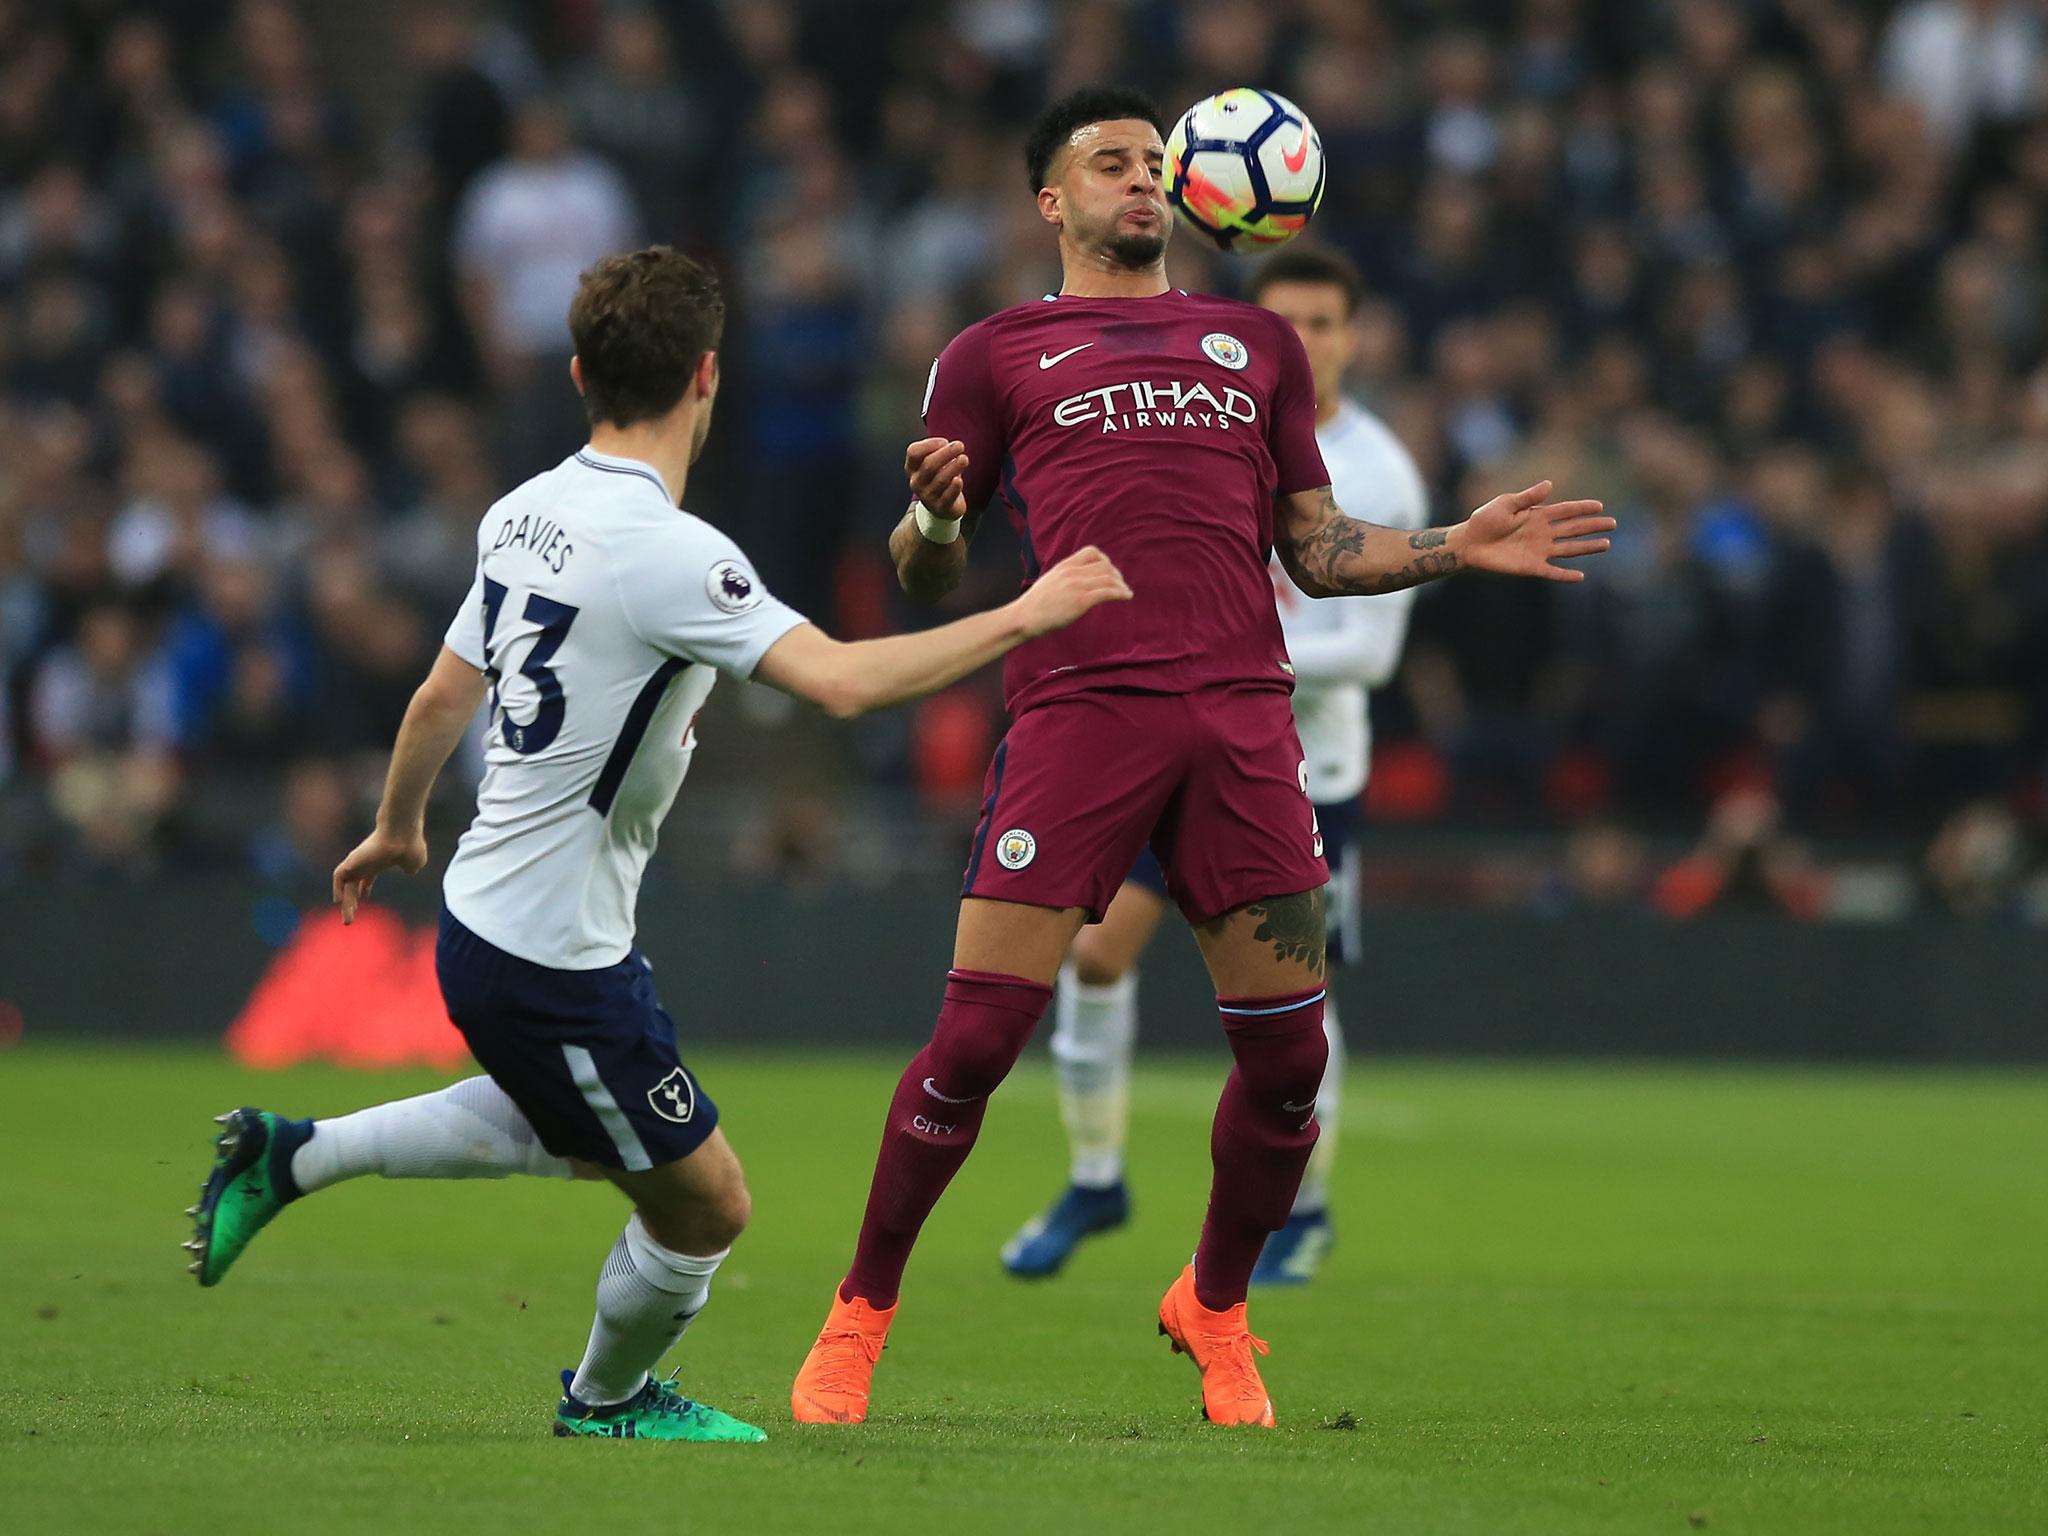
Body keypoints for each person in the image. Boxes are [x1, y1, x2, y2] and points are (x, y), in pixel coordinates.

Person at [184, 246, 1129, 1444]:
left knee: (569, 1124)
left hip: (495, 917)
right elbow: (835, 683)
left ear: (580, 372)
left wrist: (397, 825)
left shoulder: (521, 509)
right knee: (706, 1204)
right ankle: (608, 1400)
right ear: (708, 377)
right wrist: (1026, 611)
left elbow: (437, 695)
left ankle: (294, 1156)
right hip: (551, 960)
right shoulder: (675, 552)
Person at [790, 87, 1611, 1430]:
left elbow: (1319, 549)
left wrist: (1458, 544)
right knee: (976, 1039)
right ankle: (859, 1315)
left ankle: (1214, 1305)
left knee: (1291, 1068)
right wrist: (937, 521)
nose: (1141, 180)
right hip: (1077, 717)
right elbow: (924, 565)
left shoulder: (1257, 345)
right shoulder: (993, 354)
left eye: (1155, 163)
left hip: (1239, 726)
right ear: (1051, 202)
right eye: (1110, 162)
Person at [1001, 245, 1429, 1288]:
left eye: (1323, 323)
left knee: (1292, 1007)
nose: (1302, 342)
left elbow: (1368, 655)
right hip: (1175, 743)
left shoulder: (1377, 470)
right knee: (1094, 958)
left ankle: (1302, 1213)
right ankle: (1096, 1178)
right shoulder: (1215, 420)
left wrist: (1228, 657)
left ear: (1352, 338)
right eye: (1284, 321)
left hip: (1302, 773)